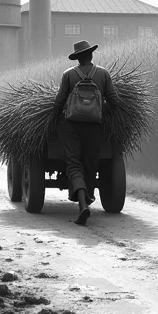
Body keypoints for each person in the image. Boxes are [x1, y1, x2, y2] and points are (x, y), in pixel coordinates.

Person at [51, 40, 123, 226]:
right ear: (91, 55)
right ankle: (88, 197)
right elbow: (115, 102)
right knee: (90, 163)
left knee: (74, 163)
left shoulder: (68, 75)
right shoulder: (103, 73)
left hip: (71, 126)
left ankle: (83, 204)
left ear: (77, 58)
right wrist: (98, 109)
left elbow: (59, 102)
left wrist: (55, 117)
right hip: (94, 127)